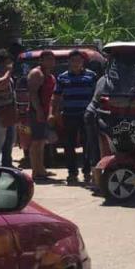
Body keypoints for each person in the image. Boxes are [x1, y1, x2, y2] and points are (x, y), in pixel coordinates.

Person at [53, 50, 98, 185]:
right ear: (69, 62)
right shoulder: (62, 77)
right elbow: (56, 97)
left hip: (87, 117)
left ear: (82, 62)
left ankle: (87, 171)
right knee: (69, 146)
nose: (76, 63)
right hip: (69, 116)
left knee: (88, 145)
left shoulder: (92, 76)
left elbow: (97, 96)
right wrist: (54, 113)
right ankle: (72, 173)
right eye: (73, 60)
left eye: (78, 60)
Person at [26, 51, 57, 181]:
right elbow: (33, 94)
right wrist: (38, 111)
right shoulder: (36, 73)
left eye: (52, 59)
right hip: (36, 112)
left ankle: (41, 169)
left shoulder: (50, 75)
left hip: (46, 112)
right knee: (36, 142)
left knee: (42, 142)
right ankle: (35, 171)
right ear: (41, 61)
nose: (51, 62)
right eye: (48, 59)